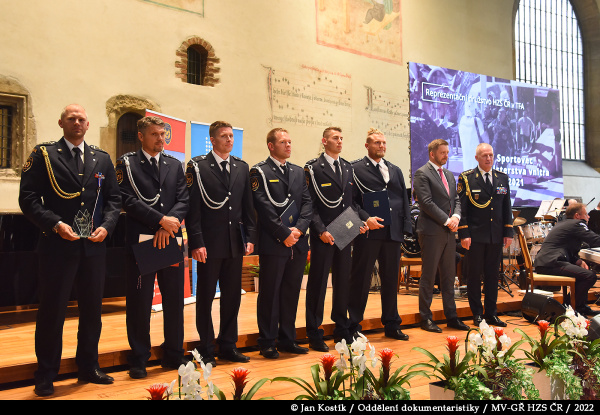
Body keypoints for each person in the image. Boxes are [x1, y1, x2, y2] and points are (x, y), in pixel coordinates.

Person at [18, 104, 121, 396]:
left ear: (88, 125)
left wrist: (108, 225)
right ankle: (46, 373)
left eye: (82, 119)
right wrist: (55, 224)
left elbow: (114, 199)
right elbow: (28, 198)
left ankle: (88, 366)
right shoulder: (44, 155)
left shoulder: (100, 158)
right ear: (61, 122)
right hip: (57, 246)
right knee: (53, 312)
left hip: (94, 247)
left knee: (92, 311)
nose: (77, 123)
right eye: (72, 118)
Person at [116, 116, 190, 379]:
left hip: (169, 238)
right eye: (155, 134)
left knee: (174, 301)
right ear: (141, 136)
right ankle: (138, 358)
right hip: (141, 241)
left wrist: (167, 225)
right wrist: (159, 220)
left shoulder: (174, 164)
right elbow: (126, 199)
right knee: (139, 302)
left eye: (163, 134)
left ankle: (173, 354)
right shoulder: (127, 164)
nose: (161, 139)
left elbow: (184, 199)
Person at [186, 121, 256, 366]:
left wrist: (250, 237)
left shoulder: (241, 167)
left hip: (234, 243)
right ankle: (206, 348)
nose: (229, 140)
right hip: (209, 244)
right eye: (224, 136)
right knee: (205, 297)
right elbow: (192, 209)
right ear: (212, 140)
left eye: (231, 136)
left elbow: (248, 207)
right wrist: (196, 241)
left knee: (232, 297)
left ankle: (228, 345)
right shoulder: (198, 167)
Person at [250, 128, 313, 359]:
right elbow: (263, 207)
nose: (288, 146)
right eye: (283, 142)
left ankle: (288, 339)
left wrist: (299, 229)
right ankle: (267, 341)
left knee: (291, 292)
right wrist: (283, 232)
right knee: (270, 293)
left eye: (290, 142)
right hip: (274, 242)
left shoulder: (297, 172)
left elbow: (307, 204)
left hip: (296, 241)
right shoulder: (259, 172)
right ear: (270, 145)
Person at [304, 127, 366, 351]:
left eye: (342, 138)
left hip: (345, 230)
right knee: (318, 283)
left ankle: (341, 328)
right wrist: (320, 230)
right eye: (335, 138)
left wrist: (359, 221)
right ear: (324, 141)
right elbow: (309, 204)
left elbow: (352, 203)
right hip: (324, 233)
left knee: (343, 282)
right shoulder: (312, 168)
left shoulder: (347, 167)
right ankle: (314, 332)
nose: (340, 141)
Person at [348, 128, 412, 341]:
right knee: (361, 278)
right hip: (368, 232)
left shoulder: (395, 169)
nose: (381, 146)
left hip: (392, 233)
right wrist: (365, 218)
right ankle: (354, 325)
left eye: (384, 143)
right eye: (377, 143)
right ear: (367, 145)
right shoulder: (355, 168)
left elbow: (404, 199)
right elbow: (352, 201)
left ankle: (392, 324)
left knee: (391, 279)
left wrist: (406, 228)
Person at [413, 138, 469, 333]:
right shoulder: (422, 173)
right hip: (431, 231)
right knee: (428, 276)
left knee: (448, 276)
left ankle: (451, 316)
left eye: (447, 152)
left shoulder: (448, 174)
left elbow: (456, 200)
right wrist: (447, 220)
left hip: (448, 231)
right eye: (443, 152)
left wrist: (456, 216)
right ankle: (425, 317)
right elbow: (426, 203)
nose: (446, 155)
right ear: (432, 154)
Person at [457, 143, 513, 327]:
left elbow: (506, 207)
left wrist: (508, 231)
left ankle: (491, 313)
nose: (489, 158)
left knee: (491, 276)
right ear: (476, 158)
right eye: (484, 155)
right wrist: (464, 233)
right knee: (474, 276)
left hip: (495, 236)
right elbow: (463, 209)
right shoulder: (467, 178)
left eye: (491, 155)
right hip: (475, 236)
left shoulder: (502, 178)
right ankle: (477, 314)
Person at [534, 203, 600, 317]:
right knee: (589, 276)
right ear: (577, 215)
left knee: (584, 273)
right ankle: (569, 308)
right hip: (552, 263)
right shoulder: (577, 224)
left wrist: (577, 261)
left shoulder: (563, 223)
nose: (588, 217)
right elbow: (594, 240)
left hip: (546, 262)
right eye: (586, 214)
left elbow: (565, 246)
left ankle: (580, 307)